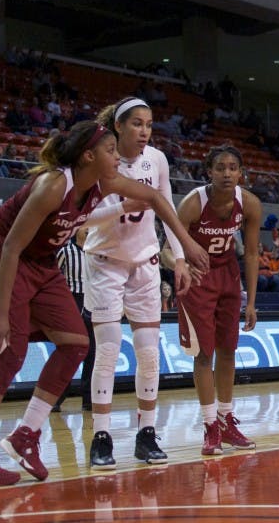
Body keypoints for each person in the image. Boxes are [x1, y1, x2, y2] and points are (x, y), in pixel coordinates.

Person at [0, 121, 208, 487]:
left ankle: (26, 436)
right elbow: (10, 247)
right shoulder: (53, 185)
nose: (118, 157)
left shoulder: (101, 183)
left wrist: (186, 244)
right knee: (10, 353)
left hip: (41, 261)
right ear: (88, 156)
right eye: (110, 151)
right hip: (2, 254)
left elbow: (153, 198)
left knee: (76, 343)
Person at [82, 97, 193, 470]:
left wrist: (178, 257)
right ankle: (101, 436)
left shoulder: (157, 160)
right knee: (109, 352)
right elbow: (83, 220)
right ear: (118, 126)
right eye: (136, 124)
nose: (144, 131)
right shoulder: (97, 159)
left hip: (145, 265)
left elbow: (168, 209)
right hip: (105, 263)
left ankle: (147, 434)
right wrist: (121, 207)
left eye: (148, 124)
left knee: (148, 354)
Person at [169, 146, 260, 456]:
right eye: (220, 167)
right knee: (204, 354)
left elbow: (251, 252)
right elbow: (167, 249)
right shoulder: (193, 204)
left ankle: (226, 419)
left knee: (229, 350)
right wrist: (181, 266)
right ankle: (209, 425)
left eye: (233, 167)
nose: (226, 173)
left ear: (240, 172)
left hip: (229, 275)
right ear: (208, 171)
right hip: (198, 279)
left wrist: (251, 301)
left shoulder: (249, 204)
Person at [53, 227, 93, 412]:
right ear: (77, 231)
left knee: (92, 354)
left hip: (91, 300)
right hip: (72, 300)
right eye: (84, 228)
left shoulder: (95, 251)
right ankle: (57, 398)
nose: (88, 230)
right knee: (71, 352)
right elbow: (53, 275)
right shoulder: (65, 252)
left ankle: (88, 399)